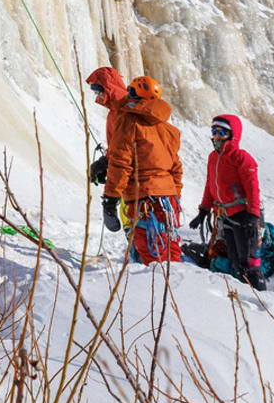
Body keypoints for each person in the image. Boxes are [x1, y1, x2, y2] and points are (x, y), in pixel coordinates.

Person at [100, 76, 183, 264]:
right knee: (171, 253)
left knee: (151, 256)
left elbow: (121, 163)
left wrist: (110, 199)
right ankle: (173, 292)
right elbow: (175, 168)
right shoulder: (170, 130)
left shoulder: (128, 121)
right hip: (169, 201)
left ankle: (157, 291)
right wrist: (174, 194)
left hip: (144, 199)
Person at [188, 114, 265, 291]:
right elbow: (210, 185)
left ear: (232, 135)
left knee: (250, 262)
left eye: (221, 132)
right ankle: (243, 298)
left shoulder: (241, 157)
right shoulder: (213, 157)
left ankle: (262, 301)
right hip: (225, 216)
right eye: (214, 131)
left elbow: (253, 188)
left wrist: (253, 215)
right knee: (235, 259)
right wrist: (203, 210)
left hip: (244, 215)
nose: (216, 136)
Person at [85, 66, 128, 186]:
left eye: (98, 92)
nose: (98, 97)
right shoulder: (114, 112)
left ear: (108, 89)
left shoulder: (124, 112)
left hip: (137, 181)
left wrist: (105, 162)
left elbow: (124, 147)